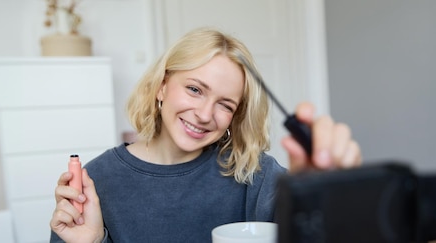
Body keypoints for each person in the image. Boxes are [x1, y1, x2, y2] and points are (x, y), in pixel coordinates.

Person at [49, 27, 362, 243]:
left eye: (224, 104)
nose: (204, 114)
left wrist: (326, 195)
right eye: (195, 89)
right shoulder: (94, 183)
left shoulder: (256, 175)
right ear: (162, 86)